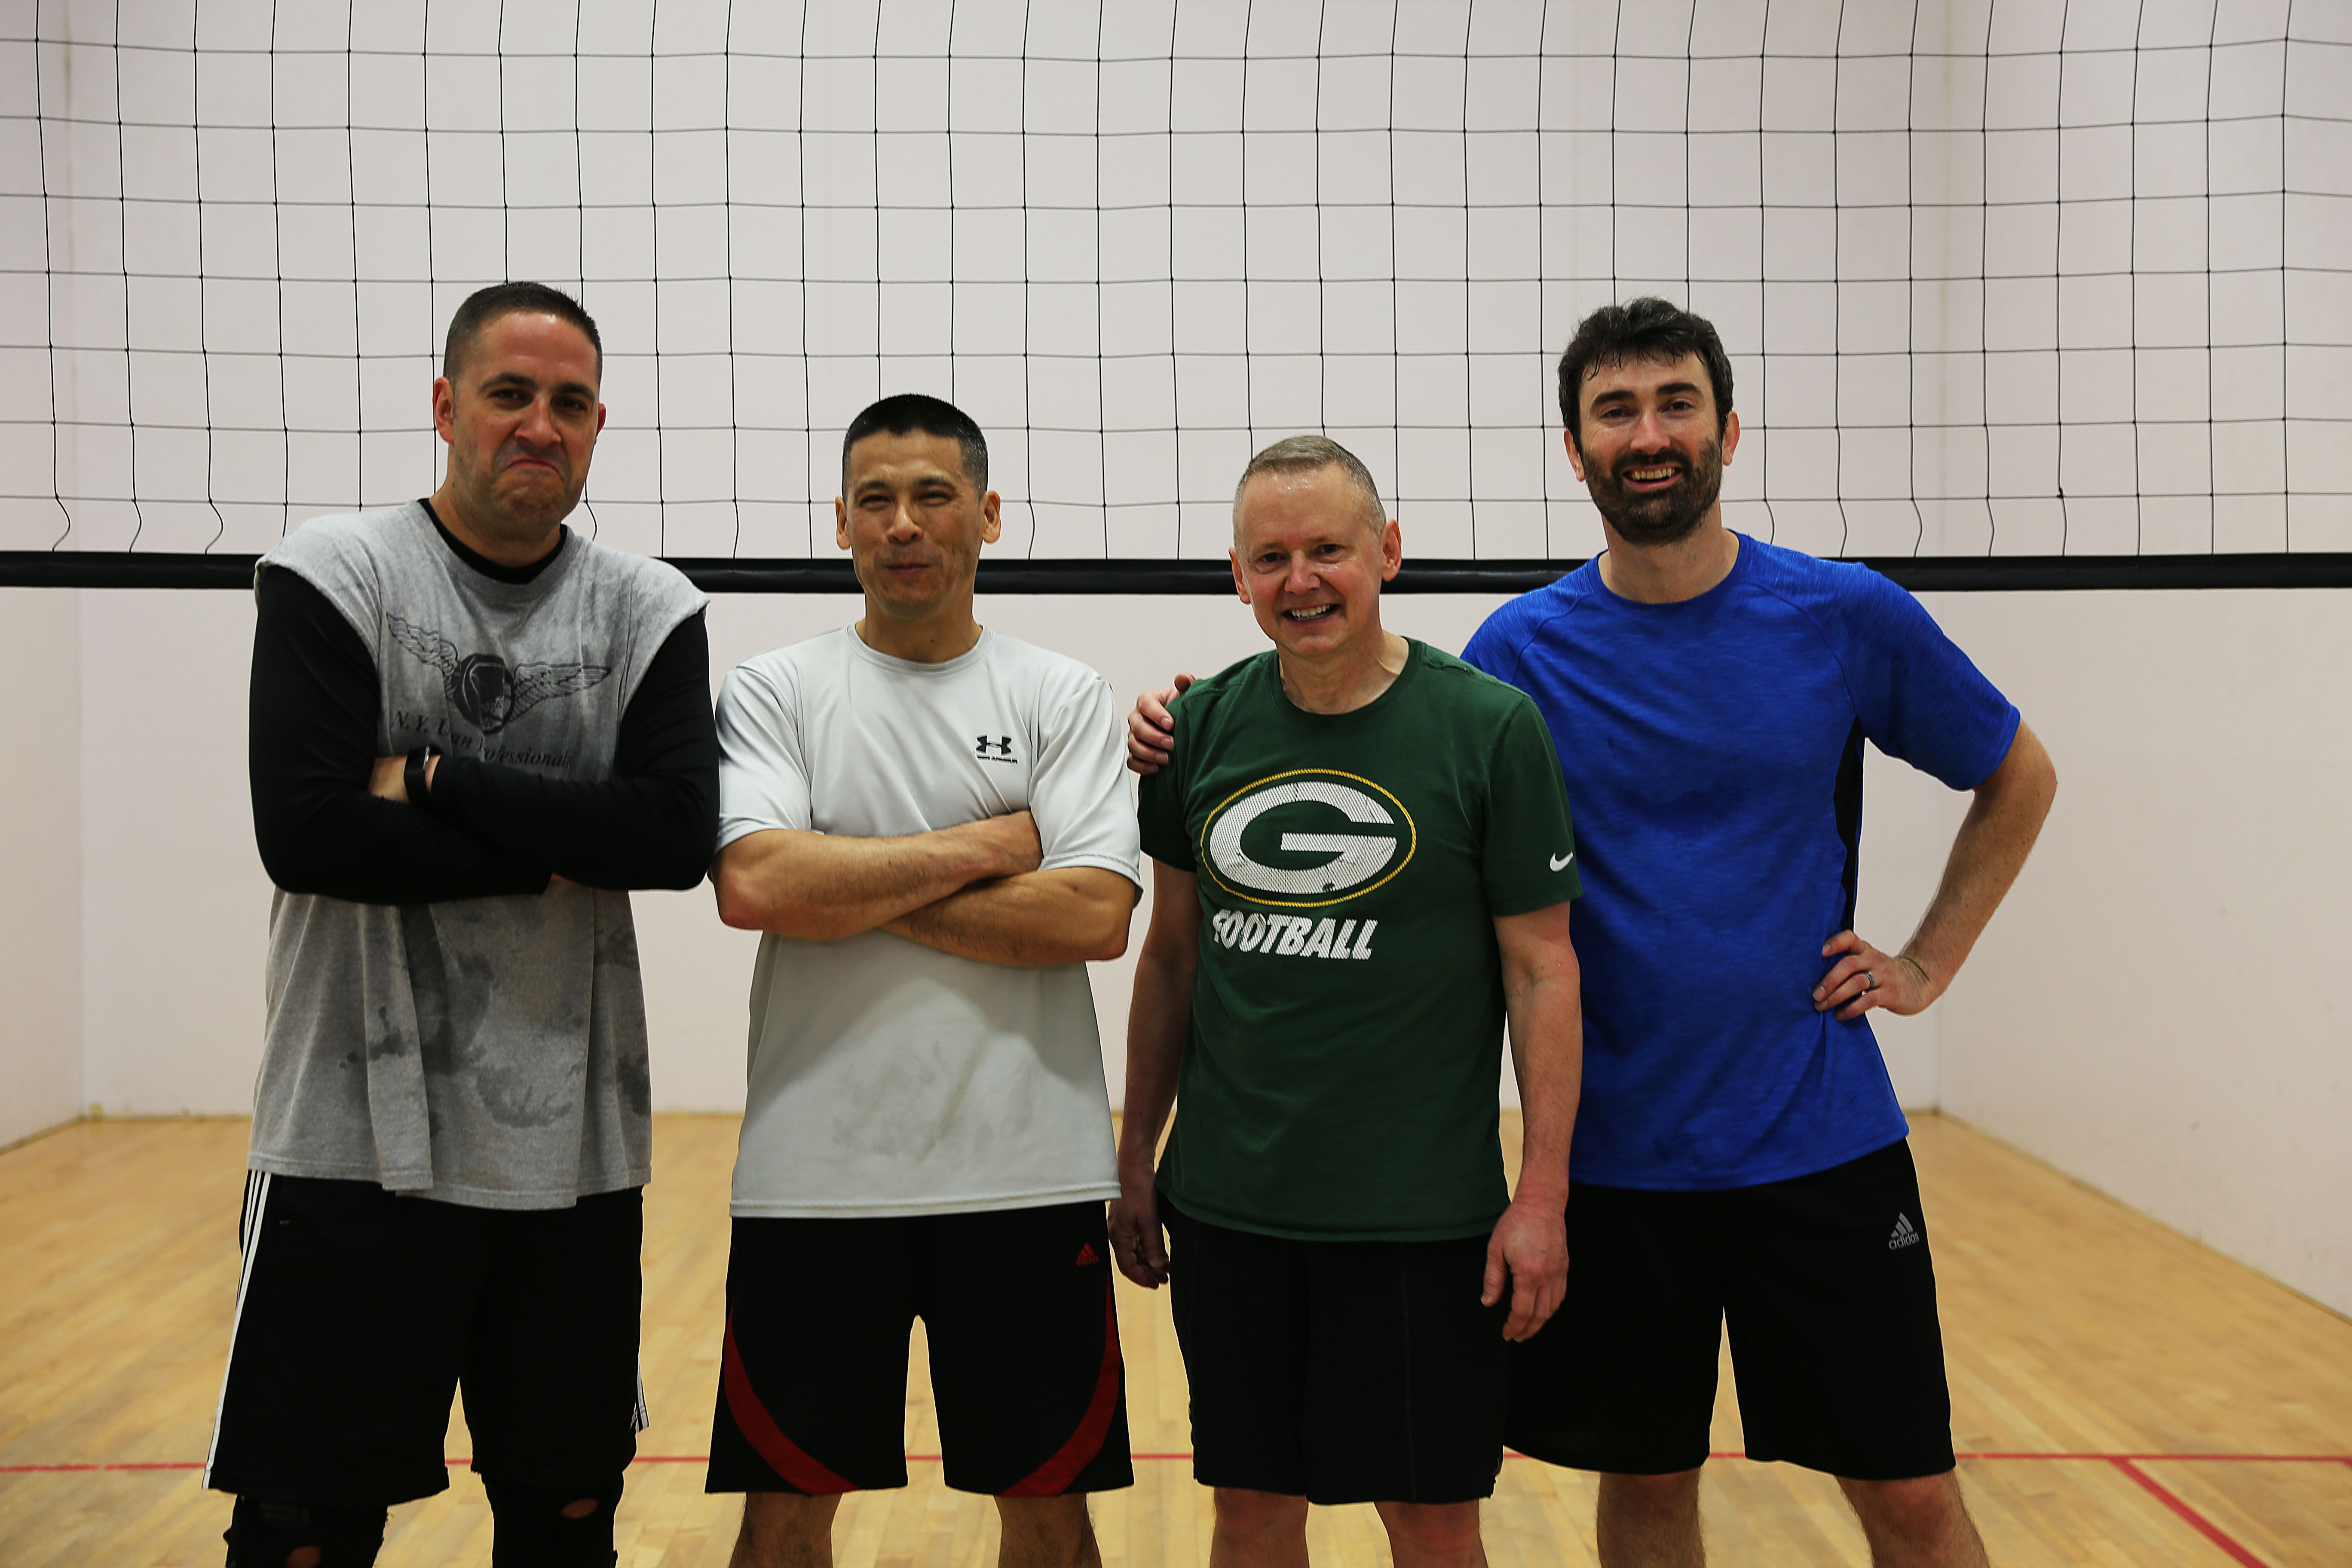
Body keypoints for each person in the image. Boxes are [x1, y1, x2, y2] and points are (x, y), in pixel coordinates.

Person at [1130, 303, 2058, 1568]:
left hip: (1820, 1143)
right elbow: (1371, 735)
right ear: (1576, 450)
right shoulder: (1521, 654)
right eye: (1615, 412)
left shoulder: (1845, 614)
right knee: (1648, 1487)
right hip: (1615, 1168)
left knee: (1907, 1496)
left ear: (1728, 429)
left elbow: (2017, 773)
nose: (1649, 435)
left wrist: (1924, 963)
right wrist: (1190, 718)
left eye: (1677, 404)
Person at [207, 281, 717, 1568]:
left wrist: (433, 778)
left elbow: (670, 841)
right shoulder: (335, 575)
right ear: (446, 407)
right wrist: (565, 842)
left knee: (566, 1520)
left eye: (570, 403)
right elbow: (310, 835)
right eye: (509, 395)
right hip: (345, 1138)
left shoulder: (650, 608)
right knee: (304, 1531)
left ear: (598, 425)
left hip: (572, 1154)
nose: (540, 425)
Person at [1110, 436, 1585, 1568]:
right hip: (1230, 1213)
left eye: (1328, 549)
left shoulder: (1490, 728)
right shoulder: (1195, 730)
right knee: (1250, 1515)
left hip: (1421, 1223)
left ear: (1389, 553)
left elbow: (1544, 971)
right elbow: (1171, 959)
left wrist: (1543, 1197)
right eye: (1272, 557)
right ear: (1237, 575)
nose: (1303, 580)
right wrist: (1134, 1156)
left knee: (1432, 1525)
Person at [705, 394, 1142, 1568]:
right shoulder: (775, 689)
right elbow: (756, 886)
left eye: (933, 496)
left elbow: (1094, 916)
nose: (904, 524)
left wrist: (847, 882)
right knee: (782, 1516)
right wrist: (992, 848)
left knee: (1048, 1514)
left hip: (1028, 1177)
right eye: (877, 500)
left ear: (987, 516)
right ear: (841, 521)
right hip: (812, 1182)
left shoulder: (1059, 694)